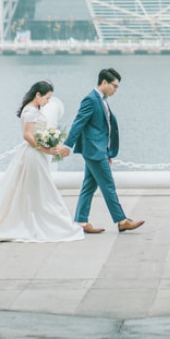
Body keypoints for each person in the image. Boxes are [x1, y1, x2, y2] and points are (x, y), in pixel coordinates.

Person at [0, 81, 85, 243]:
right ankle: (35, 220)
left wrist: (52, 144)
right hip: (33, 154)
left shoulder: (33, 109)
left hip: (35, 153)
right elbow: (27, 135)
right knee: (39, 188)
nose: (48, 102)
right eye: (47, 97)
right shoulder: (30, 111)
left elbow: (37, 134)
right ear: (37, 95)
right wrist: (45, 149)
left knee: (36, 188)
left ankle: (35, 217)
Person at [65, 68, 145, 234]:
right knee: (108, 185)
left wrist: (107, 151)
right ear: (104, 82)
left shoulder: (101, 99)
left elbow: (104, 127)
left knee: (88, 186)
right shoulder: (90, 99)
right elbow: (78, 123)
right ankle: (122, 220)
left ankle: (81, 221)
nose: (116, 89)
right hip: (94, 151)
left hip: (98, 150)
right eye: (114, 86)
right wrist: (67, 145)